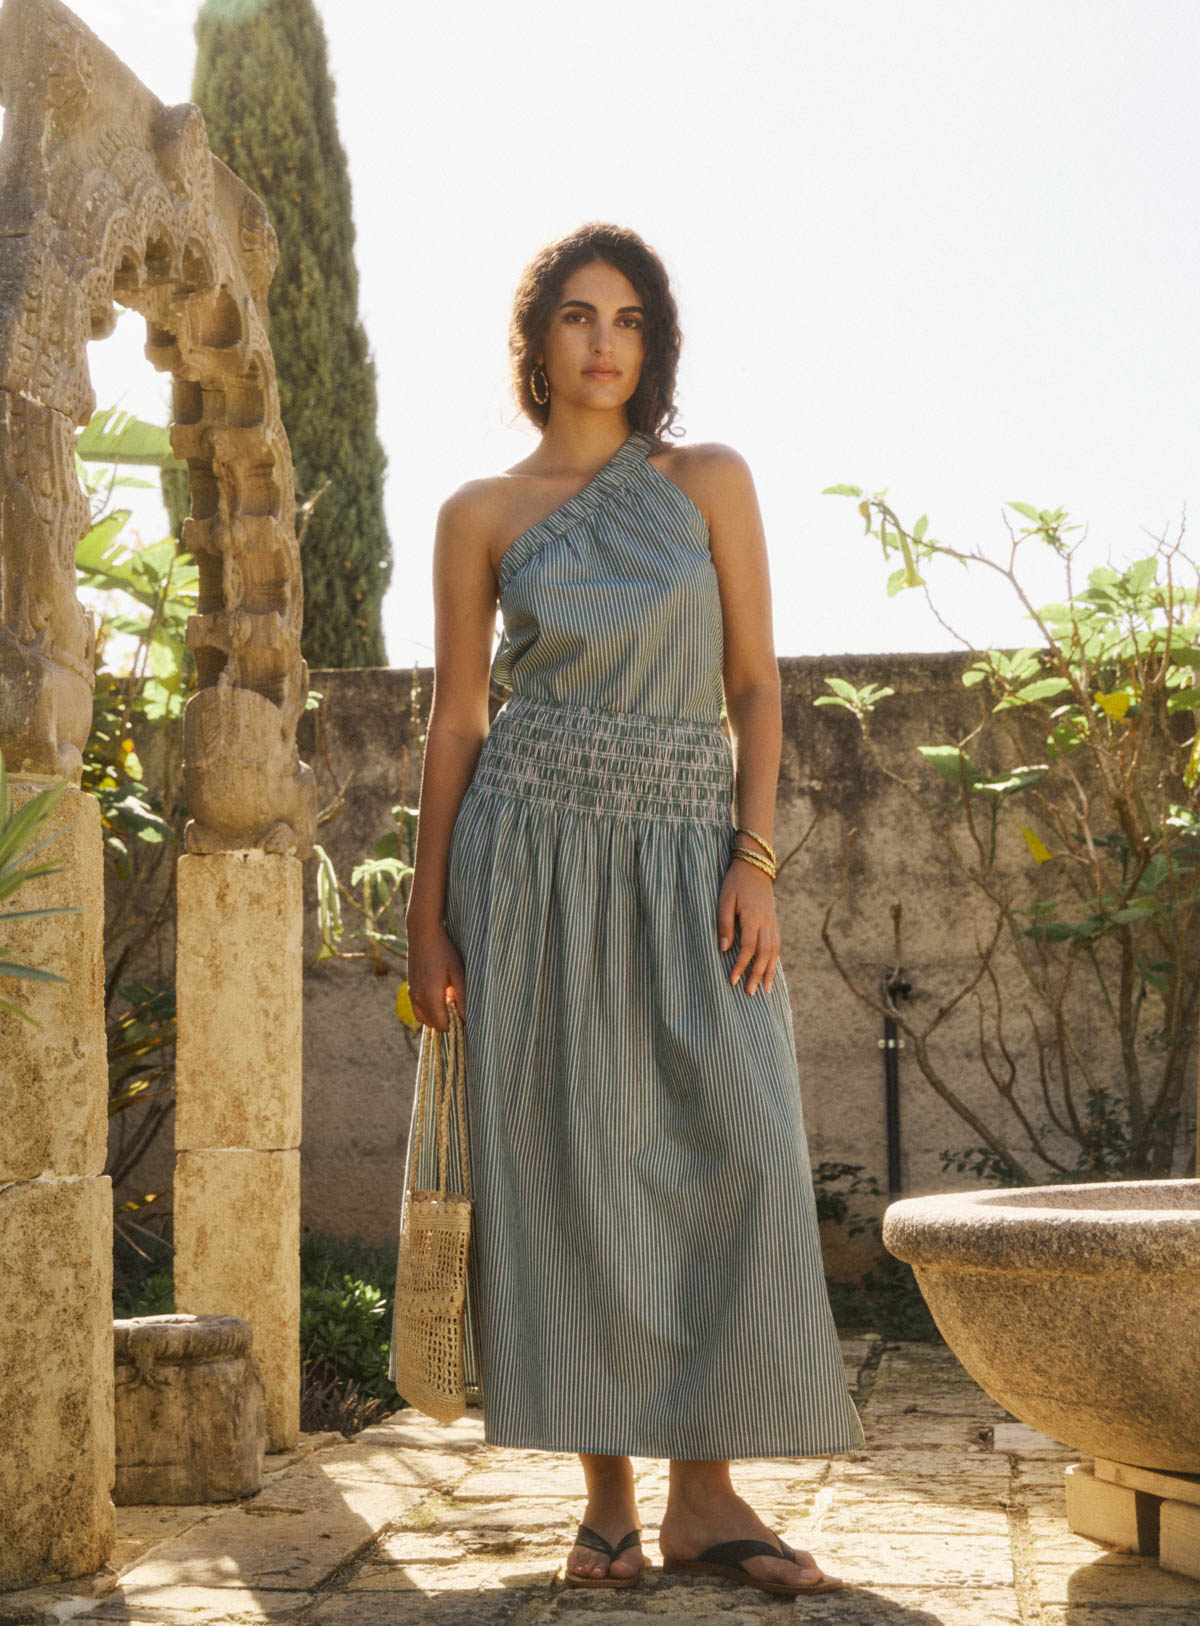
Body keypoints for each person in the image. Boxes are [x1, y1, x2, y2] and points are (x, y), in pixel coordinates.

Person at [397, 221, 863, 1599]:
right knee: (569, 1168)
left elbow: (756, 686)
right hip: (529, 859)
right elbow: (457, 719)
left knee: (737, 1149)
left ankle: (706, 1497)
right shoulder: (480, 513)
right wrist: (427, 914)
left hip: (688, 847)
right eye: (577, 315)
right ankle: (607, 1499)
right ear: (537, 340)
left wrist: (754, 857)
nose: (604, 342)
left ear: (652, 345)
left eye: (630, 319)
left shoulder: (707, 480)